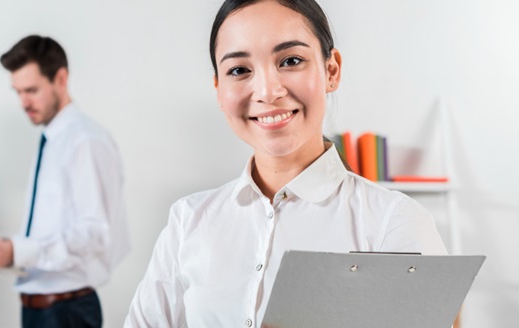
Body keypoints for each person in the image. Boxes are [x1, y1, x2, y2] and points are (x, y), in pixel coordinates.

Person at [124, 0, 447, 326]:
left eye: (291, 60)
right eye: (239, 70)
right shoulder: (188, 221)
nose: (267, 91)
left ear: (331, 70)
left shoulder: (394, 222)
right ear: (219, 89)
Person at [0, 35, 130, 328]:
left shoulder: (85, 141)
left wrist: (18, 251)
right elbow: (51, 228)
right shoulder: (53, 138)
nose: (23, 103)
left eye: (31, 90)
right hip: (40, 309)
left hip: (66, 312)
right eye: (17, 92)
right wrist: (0, 255)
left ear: (61, 78)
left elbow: (93, 233)